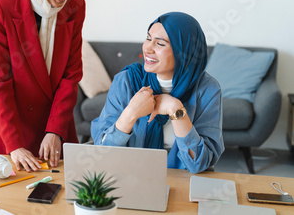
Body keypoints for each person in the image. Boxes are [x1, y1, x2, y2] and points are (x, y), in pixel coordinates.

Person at [0, 0, 85, 172]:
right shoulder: (4, 6)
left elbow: (71, 75)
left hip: (56, 120)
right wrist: (14, 144)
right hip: (13, 125)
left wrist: (55, 130)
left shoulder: (76, 7)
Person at [91, 12, 224, 174]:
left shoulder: (207, 89)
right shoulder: (127, 81)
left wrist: (176, 110)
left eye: (160, 44)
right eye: (148, 38)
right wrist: (131, 113)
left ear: (184, 52)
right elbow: (102, 154)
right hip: (129, 175)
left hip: (183, 177)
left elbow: (199, 163)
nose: (147, 48)